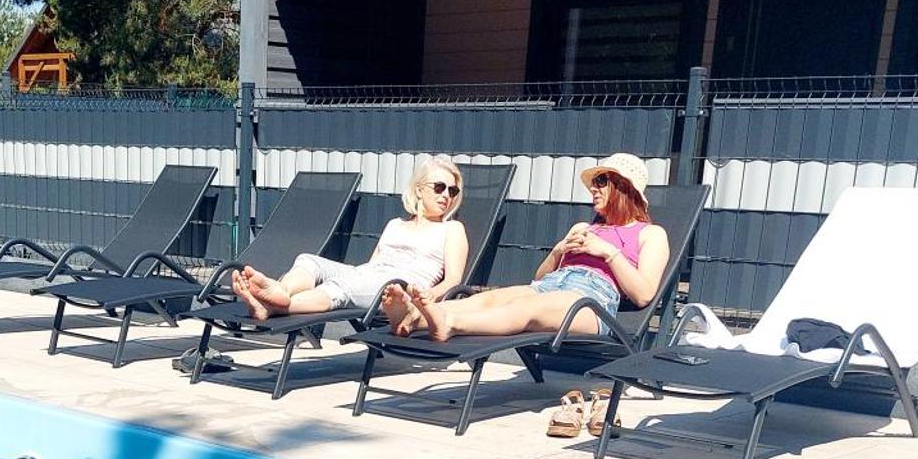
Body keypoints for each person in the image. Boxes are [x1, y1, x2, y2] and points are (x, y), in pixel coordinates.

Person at [385, 153, 668, 342]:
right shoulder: (584, 228)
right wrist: (558, 251)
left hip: (591, 300)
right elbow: (541, 277)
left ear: (623, 188)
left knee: (527, 307)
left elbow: (643, 295)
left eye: (601, 182)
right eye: (594, 182)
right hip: (552, 285)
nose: (593, 188)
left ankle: (450, 324)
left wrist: (608, 252)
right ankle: (415, 318)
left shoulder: (651, 234)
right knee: (491, 298)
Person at [230, 158, 471, 320]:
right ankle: (281, 289)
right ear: (419, 189)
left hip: (398, 290)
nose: (446, 196)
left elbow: (453, 281)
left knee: (341, 287)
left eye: (453, 191)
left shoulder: (452, 230)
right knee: (309, 260)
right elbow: (372, 265)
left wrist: (428, 297)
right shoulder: (395, 225)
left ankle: (274, 307)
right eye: (439, 187)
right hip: (370, 276)